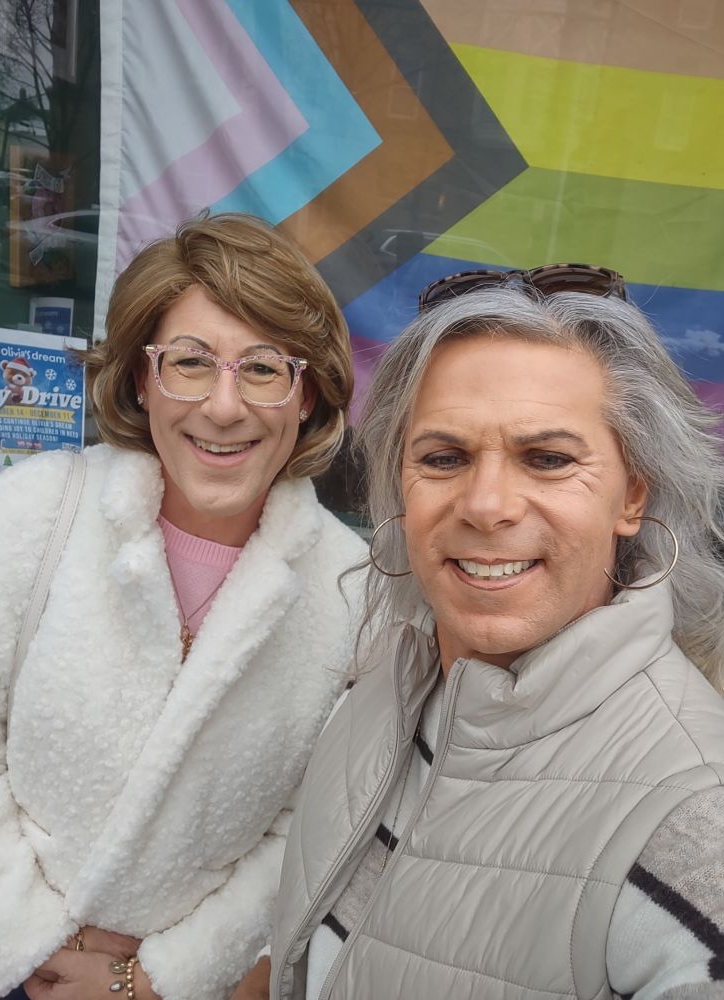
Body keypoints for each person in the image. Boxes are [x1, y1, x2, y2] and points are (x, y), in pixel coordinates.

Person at [265, 266, 724, 999]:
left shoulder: (695, 817)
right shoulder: (388, 685)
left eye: (548, 459)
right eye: (443, 458)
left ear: (632, 494)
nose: (485, 505)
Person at [0, 212, 367, 1000]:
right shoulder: (29, 516)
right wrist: (29, 939)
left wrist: (154, 978)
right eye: (189, 362)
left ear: (308, 393)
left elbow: (310, 831)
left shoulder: (351, 591)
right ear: (139, 379)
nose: (223, 406)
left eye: (264, 369)